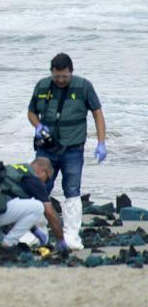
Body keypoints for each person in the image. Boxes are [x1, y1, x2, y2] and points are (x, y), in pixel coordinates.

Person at [27, 52, 106, 250]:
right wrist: (37, 126)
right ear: (51, 73)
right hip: (46, 150)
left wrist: (101, 142)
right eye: (57, 76)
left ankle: (71, 235)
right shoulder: (42, 85)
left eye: (64, 76)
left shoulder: (84, 86)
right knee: (38, 188)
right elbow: (31, 112)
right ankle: (38, 232)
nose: (60, 80)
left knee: (72, 190)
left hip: (73, 150)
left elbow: (97, 113)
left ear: (71, 72)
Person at [0, 158, 68, 258]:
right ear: (42, 171)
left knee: (3, 204)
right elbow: (49, 213)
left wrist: (35, 231)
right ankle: (8, 245)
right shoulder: (32, 178)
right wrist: (61, 240)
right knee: (38, 207)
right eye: (48, 178)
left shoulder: (13, 170)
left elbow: (16, 213)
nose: (46, 182)